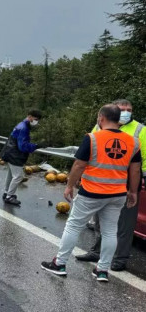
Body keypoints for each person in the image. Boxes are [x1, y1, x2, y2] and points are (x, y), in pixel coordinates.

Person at [41, 104, 141, 282]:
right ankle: (102, 270)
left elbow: (79, 164)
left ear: (101, 118)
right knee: (111, 231)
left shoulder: (93, 138)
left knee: (73, 226)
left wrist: (69, 185)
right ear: (118, 120)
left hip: (92, 192)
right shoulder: (133, 141)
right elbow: (135, 170)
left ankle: (60, 263)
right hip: (118, 193)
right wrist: (133, 192)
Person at [76, 99, 146, 271]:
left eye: (129, 109)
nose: (126, 112)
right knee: (102, 222)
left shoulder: (141, 130)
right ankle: (97, 252)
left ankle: (120, 259)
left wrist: (137, 183)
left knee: (125, 225)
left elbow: (142, 161)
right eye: (122, 109)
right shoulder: (100, 125)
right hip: (102, 182)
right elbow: (91, 148)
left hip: (128, 182)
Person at [0, 109, 44, 205]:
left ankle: (6, 192)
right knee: (18, 176)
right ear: (29, 116)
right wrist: (36, 145)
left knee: (11, 175)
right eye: (35, 119)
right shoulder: (24, 128)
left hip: (10, 152)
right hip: (15, 155)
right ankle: (9, 197)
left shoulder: (21, 125)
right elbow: (23, 146)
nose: (36, 122)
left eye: (38, 120)